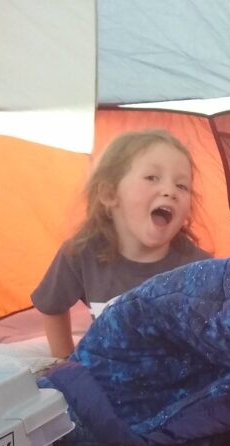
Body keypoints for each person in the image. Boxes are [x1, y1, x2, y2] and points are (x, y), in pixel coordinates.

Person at [32, 129, 212, 358]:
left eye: (182, 186)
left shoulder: (199, 268)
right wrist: (64, 359)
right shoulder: (81, 253)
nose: (170, 191)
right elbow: (51, 305)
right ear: (109, 194)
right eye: (151, 178)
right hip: (113, 372)